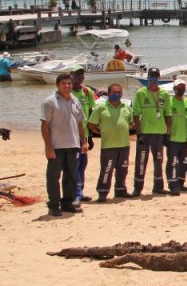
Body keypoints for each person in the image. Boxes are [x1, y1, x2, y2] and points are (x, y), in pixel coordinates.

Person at [40, 73, 89, 216]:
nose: (67, 86)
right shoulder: (49, 101)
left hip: (73, 145)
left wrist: (84, 142)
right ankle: (54, 205)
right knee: (53, 177)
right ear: (58, 85)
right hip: (56, 146)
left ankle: (68, 203)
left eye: (69, 83)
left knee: (71, 176)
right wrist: (48, 147)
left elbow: (80, 123)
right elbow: (44, 126)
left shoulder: (75, 101)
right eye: (64, 84)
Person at [88, 82, 133, 201]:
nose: (116, 94)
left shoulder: (126, 107)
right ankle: (102, 193)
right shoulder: (101, 107)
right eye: (114, 92)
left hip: (124, 145)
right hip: (108, 145)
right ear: (109, 94)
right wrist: (101, 132)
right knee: (107, 170)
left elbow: (131, 123)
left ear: (121, 94)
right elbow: (91, 125)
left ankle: (120, 191)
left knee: (123, 170)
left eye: (118, 93)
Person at [131, 68, 171, 196]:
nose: (153, 80)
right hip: (145, 133)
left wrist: (167, 133)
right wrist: (139, 134)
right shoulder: (141, 93)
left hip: (159, 133)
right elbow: (136, 115)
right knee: (141, 160)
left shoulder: (164, 94)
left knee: (159, 160)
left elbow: (168, 115)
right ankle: (138, 188)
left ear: (158, 78)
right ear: (148, 77)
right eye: (151, 77)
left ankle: (158, 187)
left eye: (155, 77)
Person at [70, 66, 96, 204]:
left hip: (84, 135)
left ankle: (80, 191)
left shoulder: (87, 92)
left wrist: (90, 136)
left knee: (82, 164)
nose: (80, 77)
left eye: (82, 74)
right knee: (73, 164)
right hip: (70, 135)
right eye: (77, 74)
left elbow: (91, 113)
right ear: (71, 75)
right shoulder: (67, 92)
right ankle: (75, 194)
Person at [164, 76, 187, 196]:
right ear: (174, 88)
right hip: (173, 138)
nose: (180, 89)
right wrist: (166, 135)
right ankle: (173, 185)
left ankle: (181, 182)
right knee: (172, 163)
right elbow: (166, 119)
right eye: (178, 87)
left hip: (184, 138)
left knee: (184, 162)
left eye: (183, 87)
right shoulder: (170, 101)